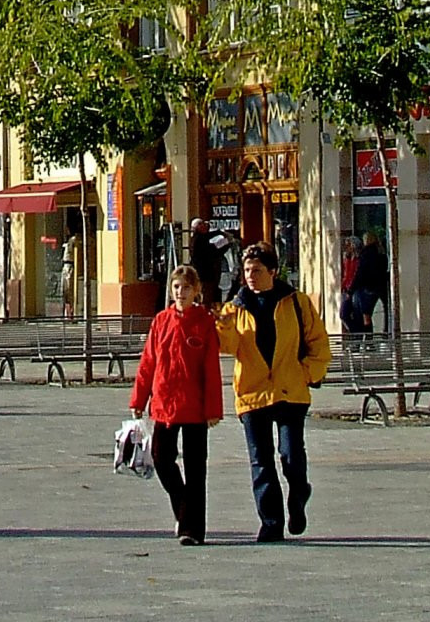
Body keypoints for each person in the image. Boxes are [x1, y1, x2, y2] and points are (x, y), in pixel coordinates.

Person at [213, 241, 331, 543]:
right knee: (260, 461)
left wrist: (307, 374)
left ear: (273, 271)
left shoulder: (295, 302)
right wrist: (221, 326)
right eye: (247, 270)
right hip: (253, 393)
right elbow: (227, 347)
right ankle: (271, 521)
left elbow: (318, 343)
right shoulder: (235, 307)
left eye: (257, 270)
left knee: (291, 455)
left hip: (290, 390)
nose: (250, 275)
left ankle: (299, 493)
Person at [129, 264, 223, 546]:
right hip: (165, 405)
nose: (180, 293)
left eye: (186, 288)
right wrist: (139, 399)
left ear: (197, 291)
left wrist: (213, 410)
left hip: (195, 408)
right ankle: (184, 507)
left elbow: (211, 370)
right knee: (161, 458)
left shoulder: (204, 322)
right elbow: (148, 363)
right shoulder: (161, 321)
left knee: (196, 469)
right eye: (176, 287)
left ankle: (193, 529)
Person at [348, 233, 388, 335]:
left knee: (366, 316)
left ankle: (368, 341)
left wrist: (351, 289)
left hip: (367, 289)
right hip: (380, 288)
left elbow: (360, 274)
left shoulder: (365, 254)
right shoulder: (381, 254)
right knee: (382, 314)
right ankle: (382, 335)